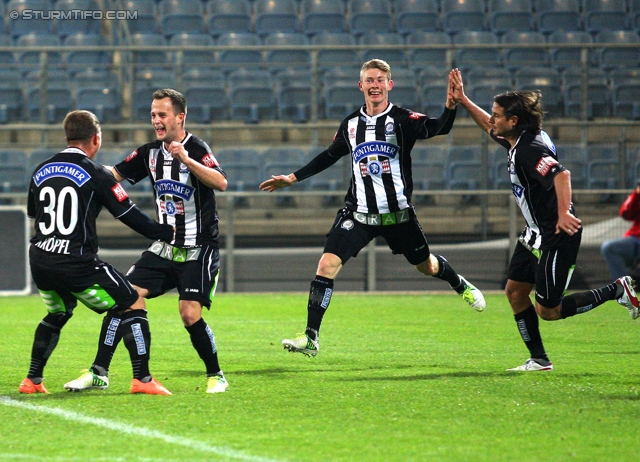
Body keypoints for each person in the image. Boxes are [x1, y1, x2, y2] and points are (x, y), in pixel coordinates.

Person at [259, 59, 486, 357]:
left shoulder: (403, 119)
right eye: (370, 79)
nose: (375, 84)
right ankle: (311, 337)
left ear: (389, 85)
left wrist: (451, 106)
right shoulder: (351, 125)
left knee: (426, 266)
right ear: (361, 85)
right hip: (359, 214)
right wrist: (292, 177)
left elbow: (438, 128)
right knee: (326, 265)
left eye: (380, 79)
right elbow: (329, 155)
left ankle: (459, 283)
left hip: (398, 216)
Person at [449, 68, 639, 372]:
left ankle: (617, 290)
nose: (493, 120)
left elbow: (561, 174)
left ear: (513, 121)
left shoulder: (528, 149)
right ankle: (539, 360)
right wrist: (463, 100)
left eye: (498, 115)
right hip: (535, 232)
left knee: (548, 310)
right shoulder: (519, 138)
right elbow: (488, 126)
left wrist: (564, 213)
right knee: (514, 291)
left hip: (556, 234)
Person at [65, 89, 230, 394]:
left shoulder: (196, 147)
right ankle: (99, 371)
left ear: (180, 117)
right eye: (153, 114)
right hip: (164, 248)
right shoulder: (148, 153)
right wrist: (74, 176)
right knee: (123, 297)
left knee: (189, 313)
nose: (156, 120)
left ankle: (216, 374)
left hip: (199, 247)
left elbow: (220, 181)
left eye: (162, 114)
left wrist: (186, 159)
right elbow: (110, 175)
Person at [19, 110, 174, 395]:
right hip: (77, 262)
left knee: (59, 312)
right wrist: (163, 233)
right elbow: (129, 214)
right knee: (131, 301)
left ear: (67, 137)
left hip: (40, 259)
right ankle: (143, 379)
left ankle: (32, 380)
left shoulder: (41, 169)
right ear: (96, 138)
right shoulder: (96, 172)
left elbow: (33, 212)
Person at [601, 183, 640, 280]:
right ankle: (623, 287)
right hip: (637, 239)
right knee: (609, 247)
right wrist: (636, 194)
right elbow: (625, 213)